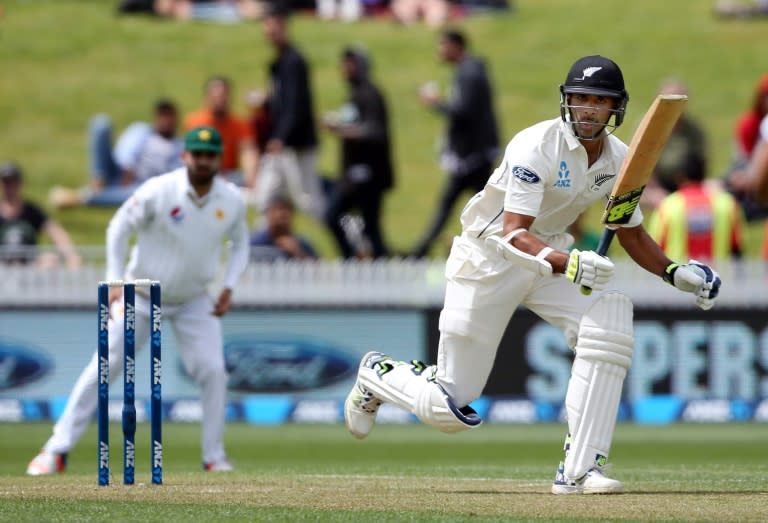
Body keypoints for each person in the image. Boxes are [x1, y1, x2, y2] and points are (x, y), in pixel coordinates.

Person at [343, 55, 722, 495]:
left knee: (610, 315)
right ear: (566, 101)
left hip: (549, 256)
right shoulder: (535, 146)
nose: (587, 110)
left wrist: (675, 273)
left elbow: (631, 232)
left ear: (614, 108)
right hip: (489, 259)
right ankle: (377, 374)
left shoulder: (619, 159)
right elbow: (513, 232)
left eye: (598, 102)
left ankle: (580, 469)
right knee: (448, 407)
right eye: (579, 99)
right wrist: (571, 262)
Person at [26, 126, 250, 476]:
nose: (204, 161)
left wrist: (229, 286)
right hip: (142, 294)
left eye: (210, 155)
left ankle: (214, 457)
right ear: (185, 156)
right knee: (106, 364)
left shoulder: (231, 199)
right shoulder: (160, 191)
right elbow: (118, 227)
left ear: (219, 159)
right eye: (198, 154)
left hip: (194, 298)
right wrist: (115, 279)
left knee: (214, 371)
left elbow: (241, 243)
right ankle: (55, 450)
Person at [411, 29, 500, 258]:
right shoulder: (470, 70)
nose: (439, 51)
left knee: (479, 207)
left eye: (442, 45)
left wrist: (435, 103)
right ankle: (421, 250)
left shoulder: (468, 73)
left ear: (455, 46)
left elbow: (464, 112)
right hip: (474, 154)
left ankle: (420, 252)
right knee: (479, 206)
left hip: (473, 157)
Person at [254, 7, 325, 221]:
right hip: (282, 146)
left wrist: (280, 137)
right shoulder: (278, 63)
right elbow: (282, 103)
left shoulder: (294, 61)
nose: (269, 32)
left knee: (308, 201)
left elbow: (295, 104)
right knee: (265, 196)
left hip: (296, 145)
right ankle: (257, 246)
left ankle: (344, 244)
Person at [323, 47, 394, 259]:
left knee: (367, 224)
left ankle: (369, 265)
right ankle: (355, 259)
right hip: (353, 175)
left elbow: (375, 131)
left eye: (350, 63)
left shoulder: (371, 94)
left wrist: (342, 130)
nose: (345, 69)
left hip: (368, 175)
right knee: (359, 223)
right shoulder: (354, 95)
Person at [49, 99, 184, 209]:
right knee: (101, 123)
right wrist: (126, 170)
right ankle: (98, 180)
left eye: (169, 116)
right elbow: (124, 153)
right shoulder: (141, 131)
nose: (166, 121)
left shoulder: (179, 146)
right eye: (162, 115)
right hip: (117, 172)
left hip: (142, 184)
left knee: (141, 194)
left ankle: (84, 197)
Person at [648, 151, 743, 261]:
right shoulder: (726, 204)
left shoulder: (668, 206)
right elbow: (737, 250)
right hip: (719, 277)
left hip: (678, 276)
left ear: (680, 176)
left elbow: (653, 250)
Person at [640, 78, 707, 210]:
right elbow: (639, 163)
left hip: (685, 184)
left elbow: (700, 164)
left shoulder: (694, 131)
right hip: (653, 186)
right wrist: (655, 190)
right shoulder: (647, 127)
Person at [0, 162, 82, 268]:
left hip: (30, 266)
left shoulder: (32, 211)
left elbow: (55, 231)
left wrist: (71, 255)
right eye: (6, 183)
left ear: (20, 184)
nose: (10, 187)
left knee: (50, 260)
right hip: (2, 267)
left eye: (13, 182)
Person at [184, 76, 259, 188]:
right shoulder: (195, 121)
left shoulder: (240, 124)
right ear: (207, 97)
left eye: (224, 96)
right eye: (216, 96)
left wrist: (251, 177)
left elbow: (248, 151)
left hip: (230, 174)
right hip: (202, 170)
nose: (220, 100)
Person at [250, 195, 318, 261]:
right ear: (268, 214)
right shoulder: (255, 242)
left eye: (286, 210)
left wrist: (297, 252)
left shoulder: (301, 243)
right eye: (277, 209)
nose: (281, 214)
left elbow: (319, 268)